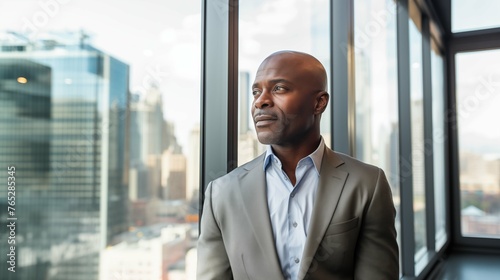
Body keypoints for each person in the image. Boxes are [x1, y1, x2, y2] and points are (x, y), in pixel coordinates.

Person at [197, 50, 399, 280]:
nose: (260, 101)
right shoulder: (221, 193)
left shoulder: (367, 184)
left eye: (279, 88)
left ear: (319, 102)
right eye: (256, 91)